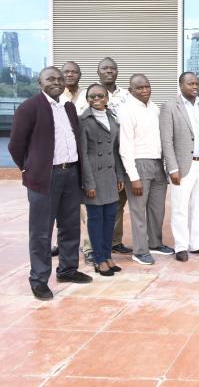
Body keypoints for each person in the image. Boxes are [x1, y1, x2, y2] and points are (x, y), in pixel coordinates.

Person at [9, 67, 92, 300]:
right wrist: (29, 168)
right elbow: (16, 145)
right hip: (45, 178)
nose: (56, 82)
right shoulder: (30, 107)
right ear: (40, 82)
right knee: (41, 232)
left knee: (70, 226)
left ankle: (67, 269)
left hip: (70, 175)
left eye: (59, 78)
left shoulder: (68, 107)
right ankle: (39, 279)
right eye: (50, 79)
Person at [161, 72, 199, 261]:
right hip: (182, 166)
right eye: (190, 83)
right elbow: (166, 141)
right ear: (181, 85)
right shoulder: (169, 107)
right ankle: (181, 246)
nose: (195, 86)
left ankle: (197, 244)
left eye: (197, 83)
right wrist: (172, 168)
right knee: (180, 207)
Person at [119, 74, 171, 265]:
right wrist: (133, 177)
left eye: (147, 86)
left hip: (158, 164)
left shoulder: (154, 108)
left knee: (157, 208)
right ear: (130, 89)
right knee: (138, 210)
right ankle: (140, 251)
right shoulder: (126, 110)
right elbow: (125, 147)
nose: (144, 90)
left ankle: (155, 243)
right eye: (139, 88)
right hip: (138, 165)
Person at [79, 83, 125, 276]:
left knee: (109, 219)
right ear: (87, 99)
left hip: (110, 175)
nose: (96, 99)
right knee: (96, 219)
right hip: (93, 176)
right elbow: (83, 154)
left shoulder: (112, 119)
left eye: (100, 96)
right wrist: (88, 182)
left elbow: (115, 150)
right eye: (92, 96)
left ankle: (107, 256)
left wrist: (119, 175)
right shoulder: (83, 120)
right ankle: (98, 259)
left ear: (107, 98)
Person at [97, 57, 132, 254]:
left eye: (112, 68)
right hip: (102, 157)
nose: (109, 71)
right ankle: (94, 245)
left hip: (124, 154)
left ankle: (115, 241)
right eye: (105, 68)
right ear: (98, 72)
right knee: (97, 203)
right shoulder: (91, 94)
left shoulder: (127, 95)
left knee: (120, 201)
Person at [60, 61, 93, 263]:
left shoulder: (87, 97)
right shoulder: (55, 96)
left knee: (86, 207)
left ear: (80, 75)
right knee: (61, 207)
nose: (70, 74)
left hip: (83, 158)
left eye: (74, 72)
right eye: (66, 72)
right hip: (61, 160)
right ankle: (62, 245)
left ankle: (89, 247)